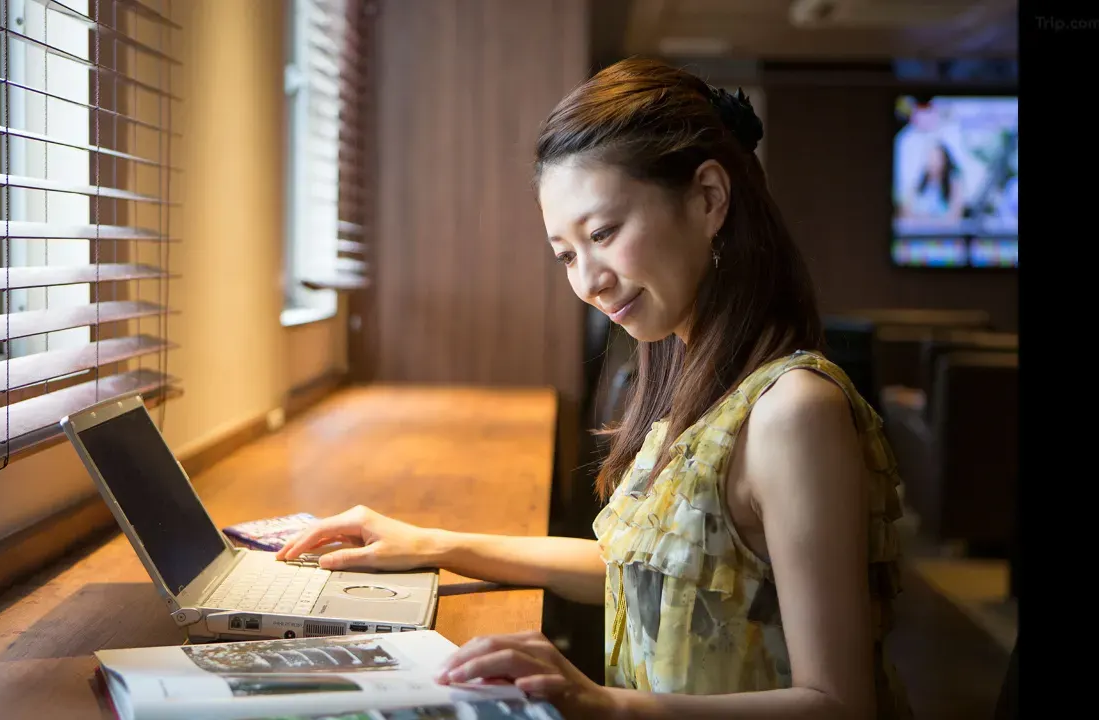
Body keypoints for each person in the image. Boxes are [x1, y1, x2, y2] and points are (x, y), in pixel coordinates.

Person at [280, 57, 912, 719]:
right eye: (567, 254)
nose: (589, 282)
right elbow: (643, 571)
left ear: (708, 200)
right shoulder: (692, 381)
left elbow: (839, 705)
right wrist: (433, 544)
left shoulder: (794, 411)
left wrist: (608, 706)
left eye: (604, 234)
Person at [904, 141, 963, 222]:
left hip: (943, 232)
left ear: (945, 161)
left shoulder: (953, 183)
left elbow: (955, 215)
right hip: (919, 230)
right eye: (930, 158)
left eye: (937, 158)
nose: (933, 162)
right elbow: (907, 212)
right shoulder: (918, 184)